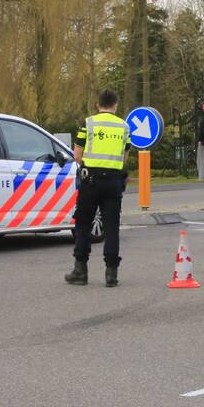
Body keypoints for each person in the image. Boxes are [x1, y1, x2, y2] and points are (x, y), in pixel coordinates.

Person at [65, 89, 130, 287]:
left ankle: (80, 271)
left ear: (98, 105)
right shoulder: (124, 127)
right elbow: (125, 157)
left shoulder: (88, 123)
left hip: (90, 181)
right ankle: (111, 274)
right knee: (111, 227)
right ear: (115, 105)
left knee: (83, 224)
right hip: (113, 182)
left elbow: (77, 155)